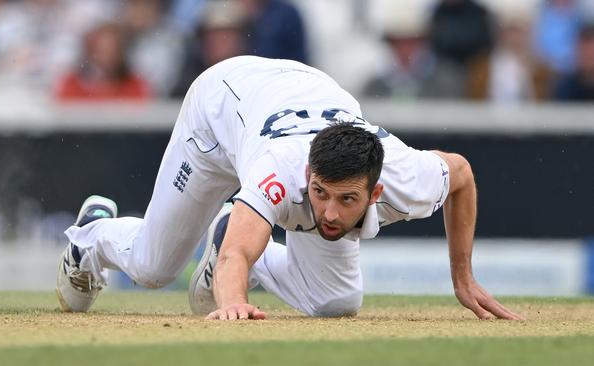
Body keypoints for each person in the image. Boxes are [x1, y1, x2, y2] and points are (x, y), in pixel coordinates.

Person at [55, 56, 522, 321]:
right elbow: (240, 253)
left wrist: (462, 277)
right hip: (219, 111)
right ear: (308, 177)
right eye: (320, 193)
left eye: (347, 199)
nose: (332, 214)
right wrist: (234, 304)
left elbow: (460, 174)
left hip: (301, 90)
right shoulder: (280, 172)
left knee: (336, 303)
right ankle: (90, 239)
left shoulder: (404, 174)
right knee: (154, 268)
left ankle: (222, 236)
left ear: (375, 194)